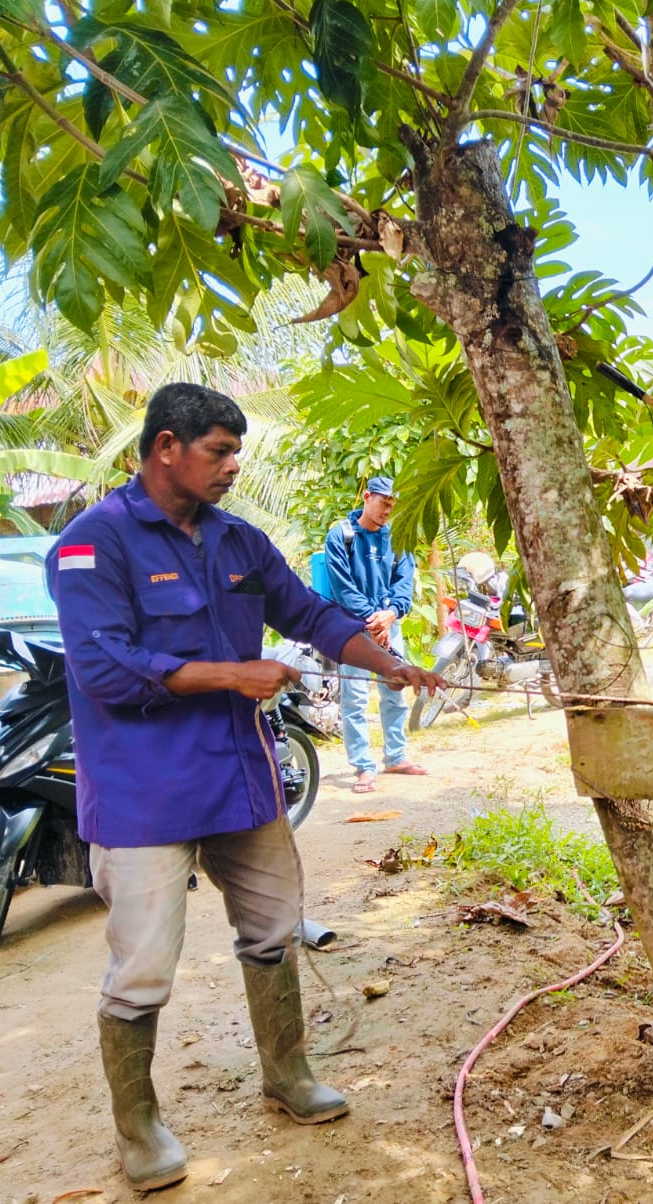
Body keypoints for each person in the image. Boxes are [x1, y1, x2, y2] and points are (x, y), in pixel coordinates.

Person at [46, 383, 443, 1191]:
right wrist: (236, 672)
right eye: (219, 451)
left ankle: (288, 1073)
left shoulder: (239, 541)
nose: (233, 465)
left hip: (241, 782)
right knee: (144, 968)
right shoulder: (93, 545)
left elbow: (310, 613)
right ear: (166, 447)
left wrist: (392, 665)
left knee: (273, 932)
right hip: (143, 796)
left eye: (235, 451)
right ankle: (140, 1128)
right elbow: (103, 667)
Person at [325, 476, 424, 793]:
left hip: (388, 623)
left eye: (392, 506)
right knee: (354, 698)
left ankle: (395, 757)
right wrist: (371, 619)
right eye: (384, 503)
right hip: (351, 627)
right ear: (367, 497)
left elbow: (403, 585)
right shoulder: (341, 535)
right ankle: (363, 767)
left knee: (394, 691)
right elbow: (342, 587)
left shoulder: (398, 538)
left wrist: (390, 614)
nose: (387, 511)